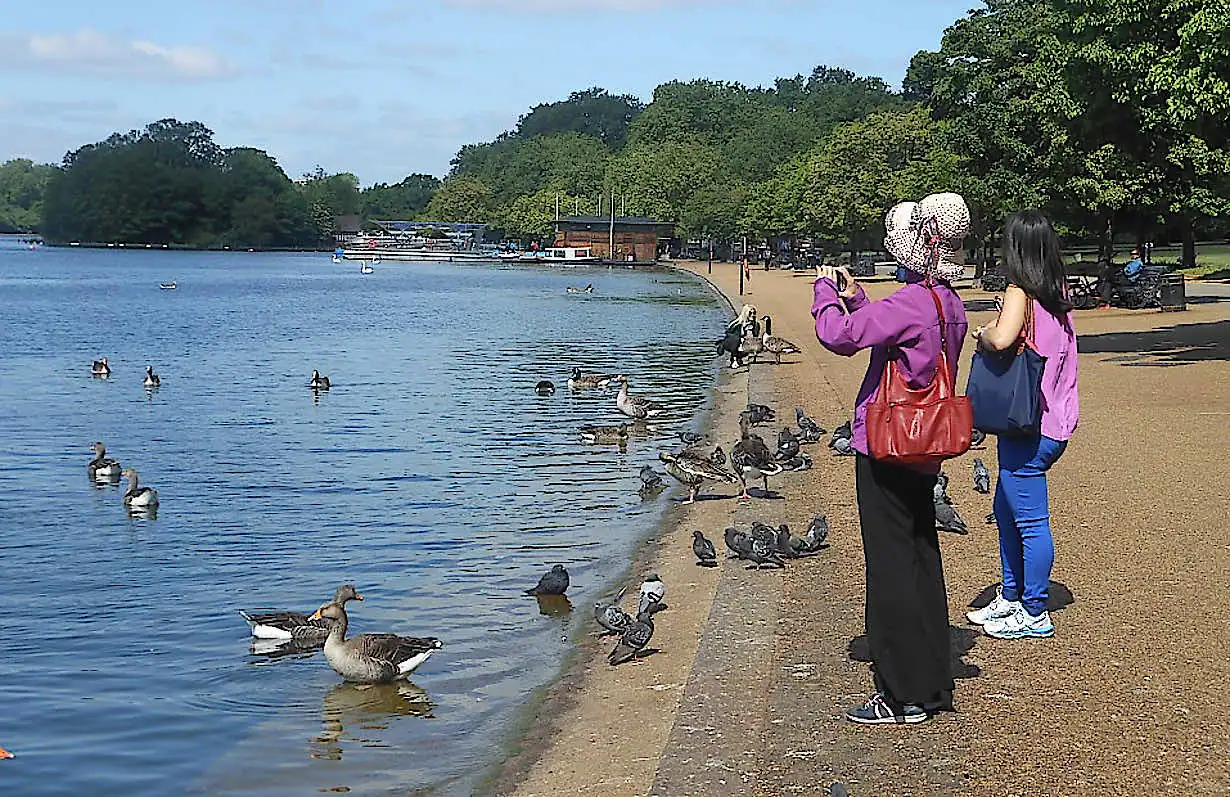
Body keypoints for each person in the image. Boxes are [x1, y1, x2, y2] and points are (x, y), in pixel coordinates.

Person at [812, 192, 971, 725]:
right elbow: (895, 337)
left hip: (888, 441)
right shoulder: (947, 303)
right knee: (922, 556)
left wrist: (824, 294)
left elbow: (839, 337)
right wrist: (858, 299)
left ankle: (901, 694)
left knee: (890, 566)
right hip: (925, 444)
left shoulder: (911, 303)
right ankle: (929, 679)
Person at [968, 210, 1079, 640]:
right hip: (1054, 420)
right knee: (1006, 509)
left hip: (1027, 423)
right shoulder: (1056, 293)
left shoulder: (1020, 291)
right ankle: (1011, 596)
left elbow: (1000, 339)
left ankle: (1033, 610)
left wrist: (983, 330)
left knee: (1030, 521)